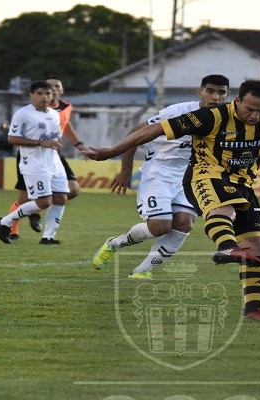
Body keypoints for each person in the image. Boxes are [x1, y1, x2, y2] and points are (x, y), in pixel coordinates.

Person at [84, 79, 260, 321]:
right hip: (205, 176)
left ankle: (253, 308)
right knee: (221, 210)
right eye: (249, 109)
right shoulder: (210, 116)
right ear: (237, 101)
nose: (255, 116)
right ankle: (226, 247)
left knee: (256, 247)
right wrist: (112, 151)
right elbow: (154, 129)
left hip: (244, 184)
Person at [91, 74, 231, 279]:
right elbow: (136, 133)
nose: (215, 97)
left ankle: (142, 272)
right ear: (200, 91)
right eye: (210, 91)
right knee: (160, 227)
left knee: (185, 223)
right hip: (159, 176)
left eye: (221, 92)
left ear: (227, 95)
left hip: (191, 180)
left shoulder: (227, 119)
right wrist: (125, 170)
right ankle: (115, 244)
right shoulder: (177, 112)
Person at [7, 77, 87, 238]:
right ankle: (11, 227)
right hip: (33, 155)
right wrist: (40, 143)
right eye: (48, 88)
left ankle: (40, 218)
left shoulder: (65, 107)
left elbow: (66, 124)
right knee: (25, 197)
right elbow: (13, 137)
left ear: (61, 90)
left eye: (56, 87)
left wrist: (78, 144)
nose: (53, 90)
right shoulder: (31, 111)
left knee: (72, 190)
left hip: (54, 153)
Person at [0, 80, 68, 245]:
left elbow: (55, 138)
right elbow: (12, 138)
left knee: (61, 198)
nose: (44, 97)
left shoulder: (55, 114)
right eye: (40, 93)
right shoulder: (23, 114)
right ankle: (5, 222)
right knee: (43, 202)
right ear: (31, 95)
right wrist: (40, 143)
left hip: (53, 162)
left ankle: (48, 237)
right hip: (34, 163)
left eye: (47, 93)